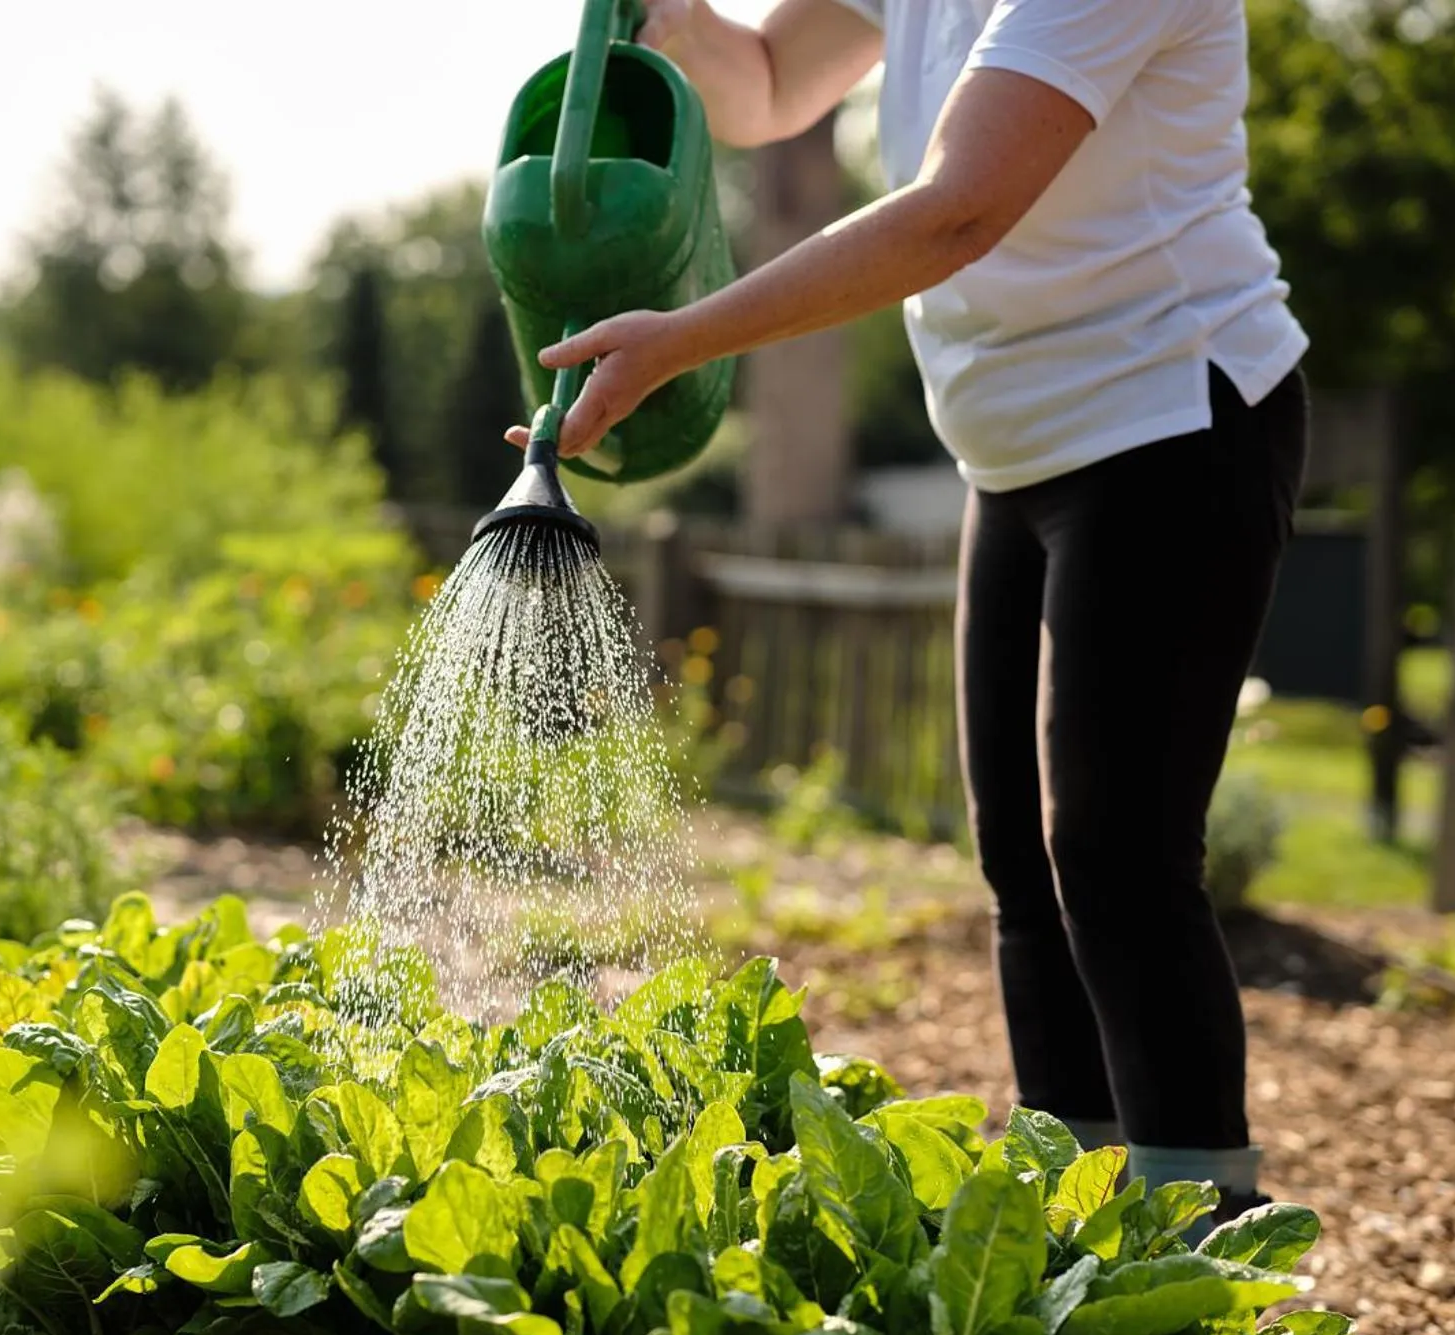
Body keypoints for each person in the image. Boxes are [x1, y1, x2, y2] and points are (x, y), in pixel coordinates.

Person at [517, 0, 1310, 1217]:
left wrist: (683, 341)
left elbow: (957, 209)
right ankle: (1079, 1230)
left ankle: (1200, 1254)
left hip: (1170, 420)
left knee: (1115, 858)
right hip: (1012, 456)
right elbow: (773, 83)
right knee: (1024, 870)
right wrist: (676, 20)